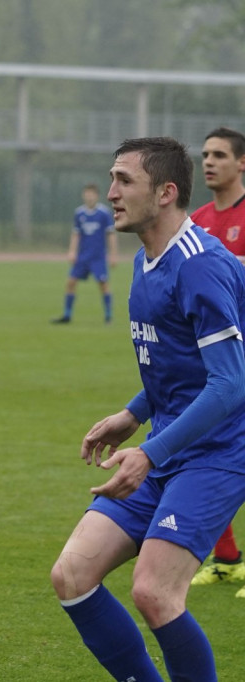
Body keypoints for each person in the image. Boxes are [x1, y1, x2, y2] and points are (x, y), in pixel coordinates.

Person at [50, 137, 245, 682]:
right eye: (111, 179)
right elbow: (180, 362)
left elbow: (230, 385)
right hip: (166, 443)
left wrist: (149, 452)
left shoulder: (198, 265)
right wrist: (134, 413)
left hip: (218, 452)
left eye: (123, 181)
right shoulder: (147, 258)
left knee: (155, 593)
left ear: (164, 193)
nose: (110, 193)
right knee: (72, 574)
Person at [187, 126, 245, 595]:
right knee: (206, 449)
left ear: (241, 163)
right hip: (215, 361)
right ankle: (225, 557)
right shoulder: (199, 220)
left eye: (220, 155)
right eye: (205, 154)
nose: (209, 161)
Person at [50, 184, 118, 324]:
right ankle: (67, 315)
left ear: (97, 196)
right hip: (83, 257)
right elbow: (76, 234)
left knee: (103, 284)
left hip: (98, 257)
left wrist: (113, 254)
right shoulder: (79, 213)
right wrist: (72, 251)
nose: (89, 196)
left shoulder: (103, 213)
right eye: (87, 194)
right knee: (70, 282)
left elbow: (110, 235)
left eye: (92, 194)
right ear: (83, 195)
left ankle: (108, 315)